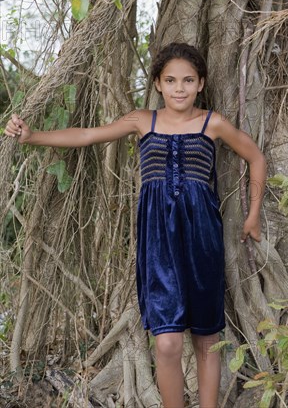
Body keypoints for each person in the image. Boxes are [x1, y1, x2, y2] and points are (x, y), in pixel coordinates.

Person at [5, 42, 266, 408]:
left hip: (202, 239)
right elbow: (86, 135)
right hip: (157, 242)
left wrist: (253, 214)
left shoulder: (213, 123)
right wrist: (32, 136)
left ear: (201, 84)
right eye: (171, 80)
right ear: (158, 83)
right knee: (167, 341)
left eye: (188, 80)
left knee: (207, 338)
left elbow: (255, 157)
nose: (180, 88)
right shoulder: (143, 121)